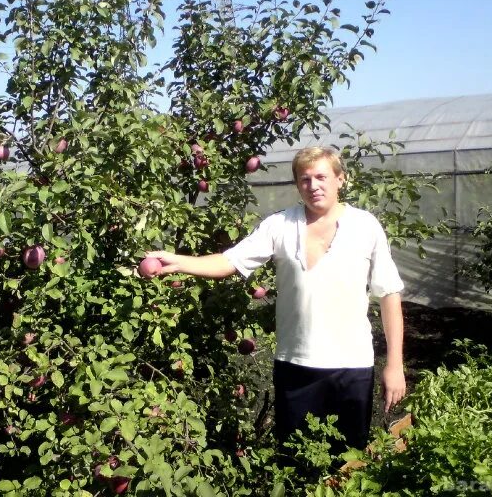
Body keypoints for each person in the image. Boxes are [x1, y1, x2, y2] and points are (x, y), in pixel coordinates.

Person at [146, 146, 405, 453]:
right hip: (295, 365)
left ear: (340, 180)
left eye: (321, 177)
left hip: (351, 367)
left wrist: (395, 365)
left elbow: (389, 295)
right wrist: (178, 262)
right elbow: (231, 261)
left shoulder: (365, 227)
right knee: (294, 460)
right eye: (305, 179)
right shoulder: (280, 225)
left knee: (346, 462)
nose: (313, 185)